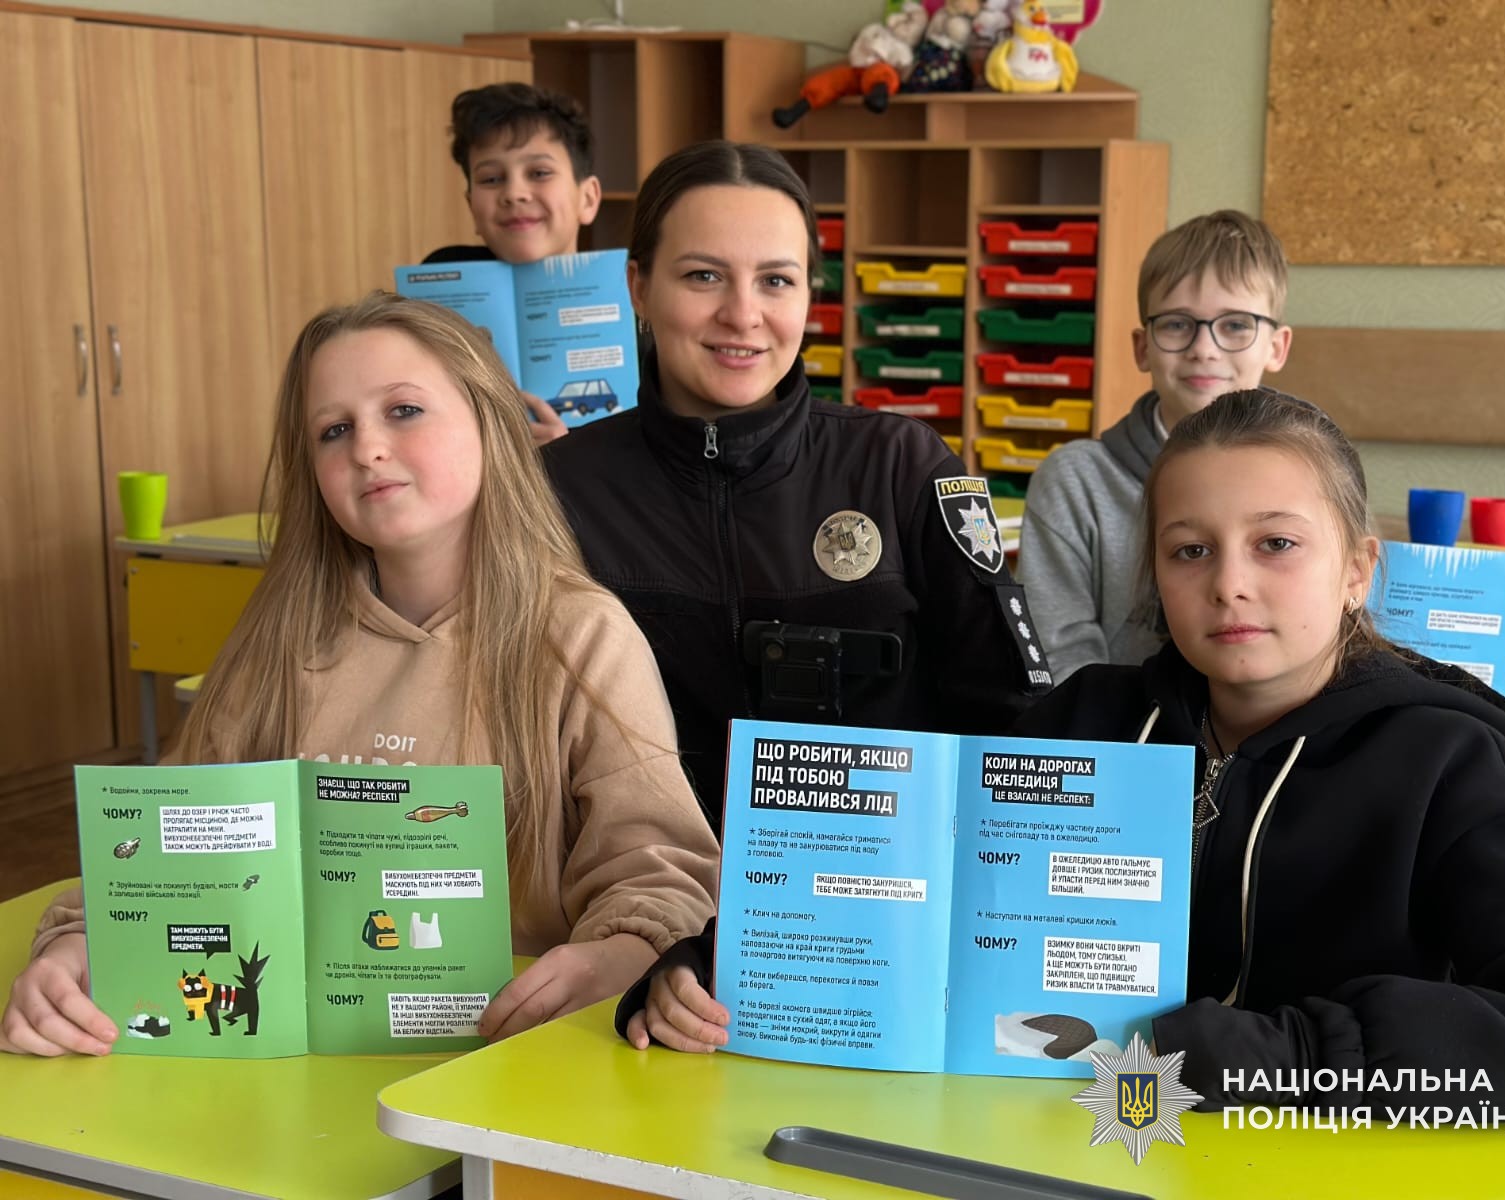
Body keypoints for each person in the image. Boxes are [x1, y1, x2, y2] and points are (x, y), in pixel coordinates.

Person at [616, 389, 1505, 1125]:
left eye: (1276, 544)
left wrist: (1286, 1058)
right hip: (1059, 1148)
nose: (1230, 584)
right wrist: (719, 966)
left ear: (1356, 568)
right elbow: (915, 899)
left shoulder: (1446, 763)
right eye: (1190, 550)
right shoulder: (1085, 721)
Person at [1, 293, 719, 1057]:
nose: (367, 449)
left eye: (404, 411)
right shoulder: (279, 637)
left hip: (499, 1063)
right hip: (289, 1069)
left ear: (493, 422)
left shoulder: (580, 635)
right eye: (333, 430)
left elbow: (656, 873)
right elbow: (162, 844)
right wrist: (78, 948)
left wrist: (618, 956)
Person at [542, 140, 1053, 833]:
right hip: (645, 887)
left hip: (870, 888)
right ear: (638, 287)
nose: (742, 314)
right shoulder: (557, 488)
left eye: (776, 281)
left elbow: (1013, 727)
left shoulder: (902, 465)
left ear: (810, 293)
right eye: (703, 276)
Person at [1020, 210, 1293, 682]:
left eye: (1235, 325)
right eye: (1176, 324)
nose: (1204, 348)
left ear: (1276, 347)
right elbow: (1058, 665)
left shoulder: (1313, 478)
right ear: (1142, 346)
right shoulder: (1076, 482)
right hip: (1118, 726)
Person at [424, 82, 606, 446]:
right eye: (491, 179)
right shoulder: (438, 282)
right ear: (471, 207)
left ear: (587, 199)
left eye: (539, 173)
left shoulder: (630, 300)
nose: (514, 193)